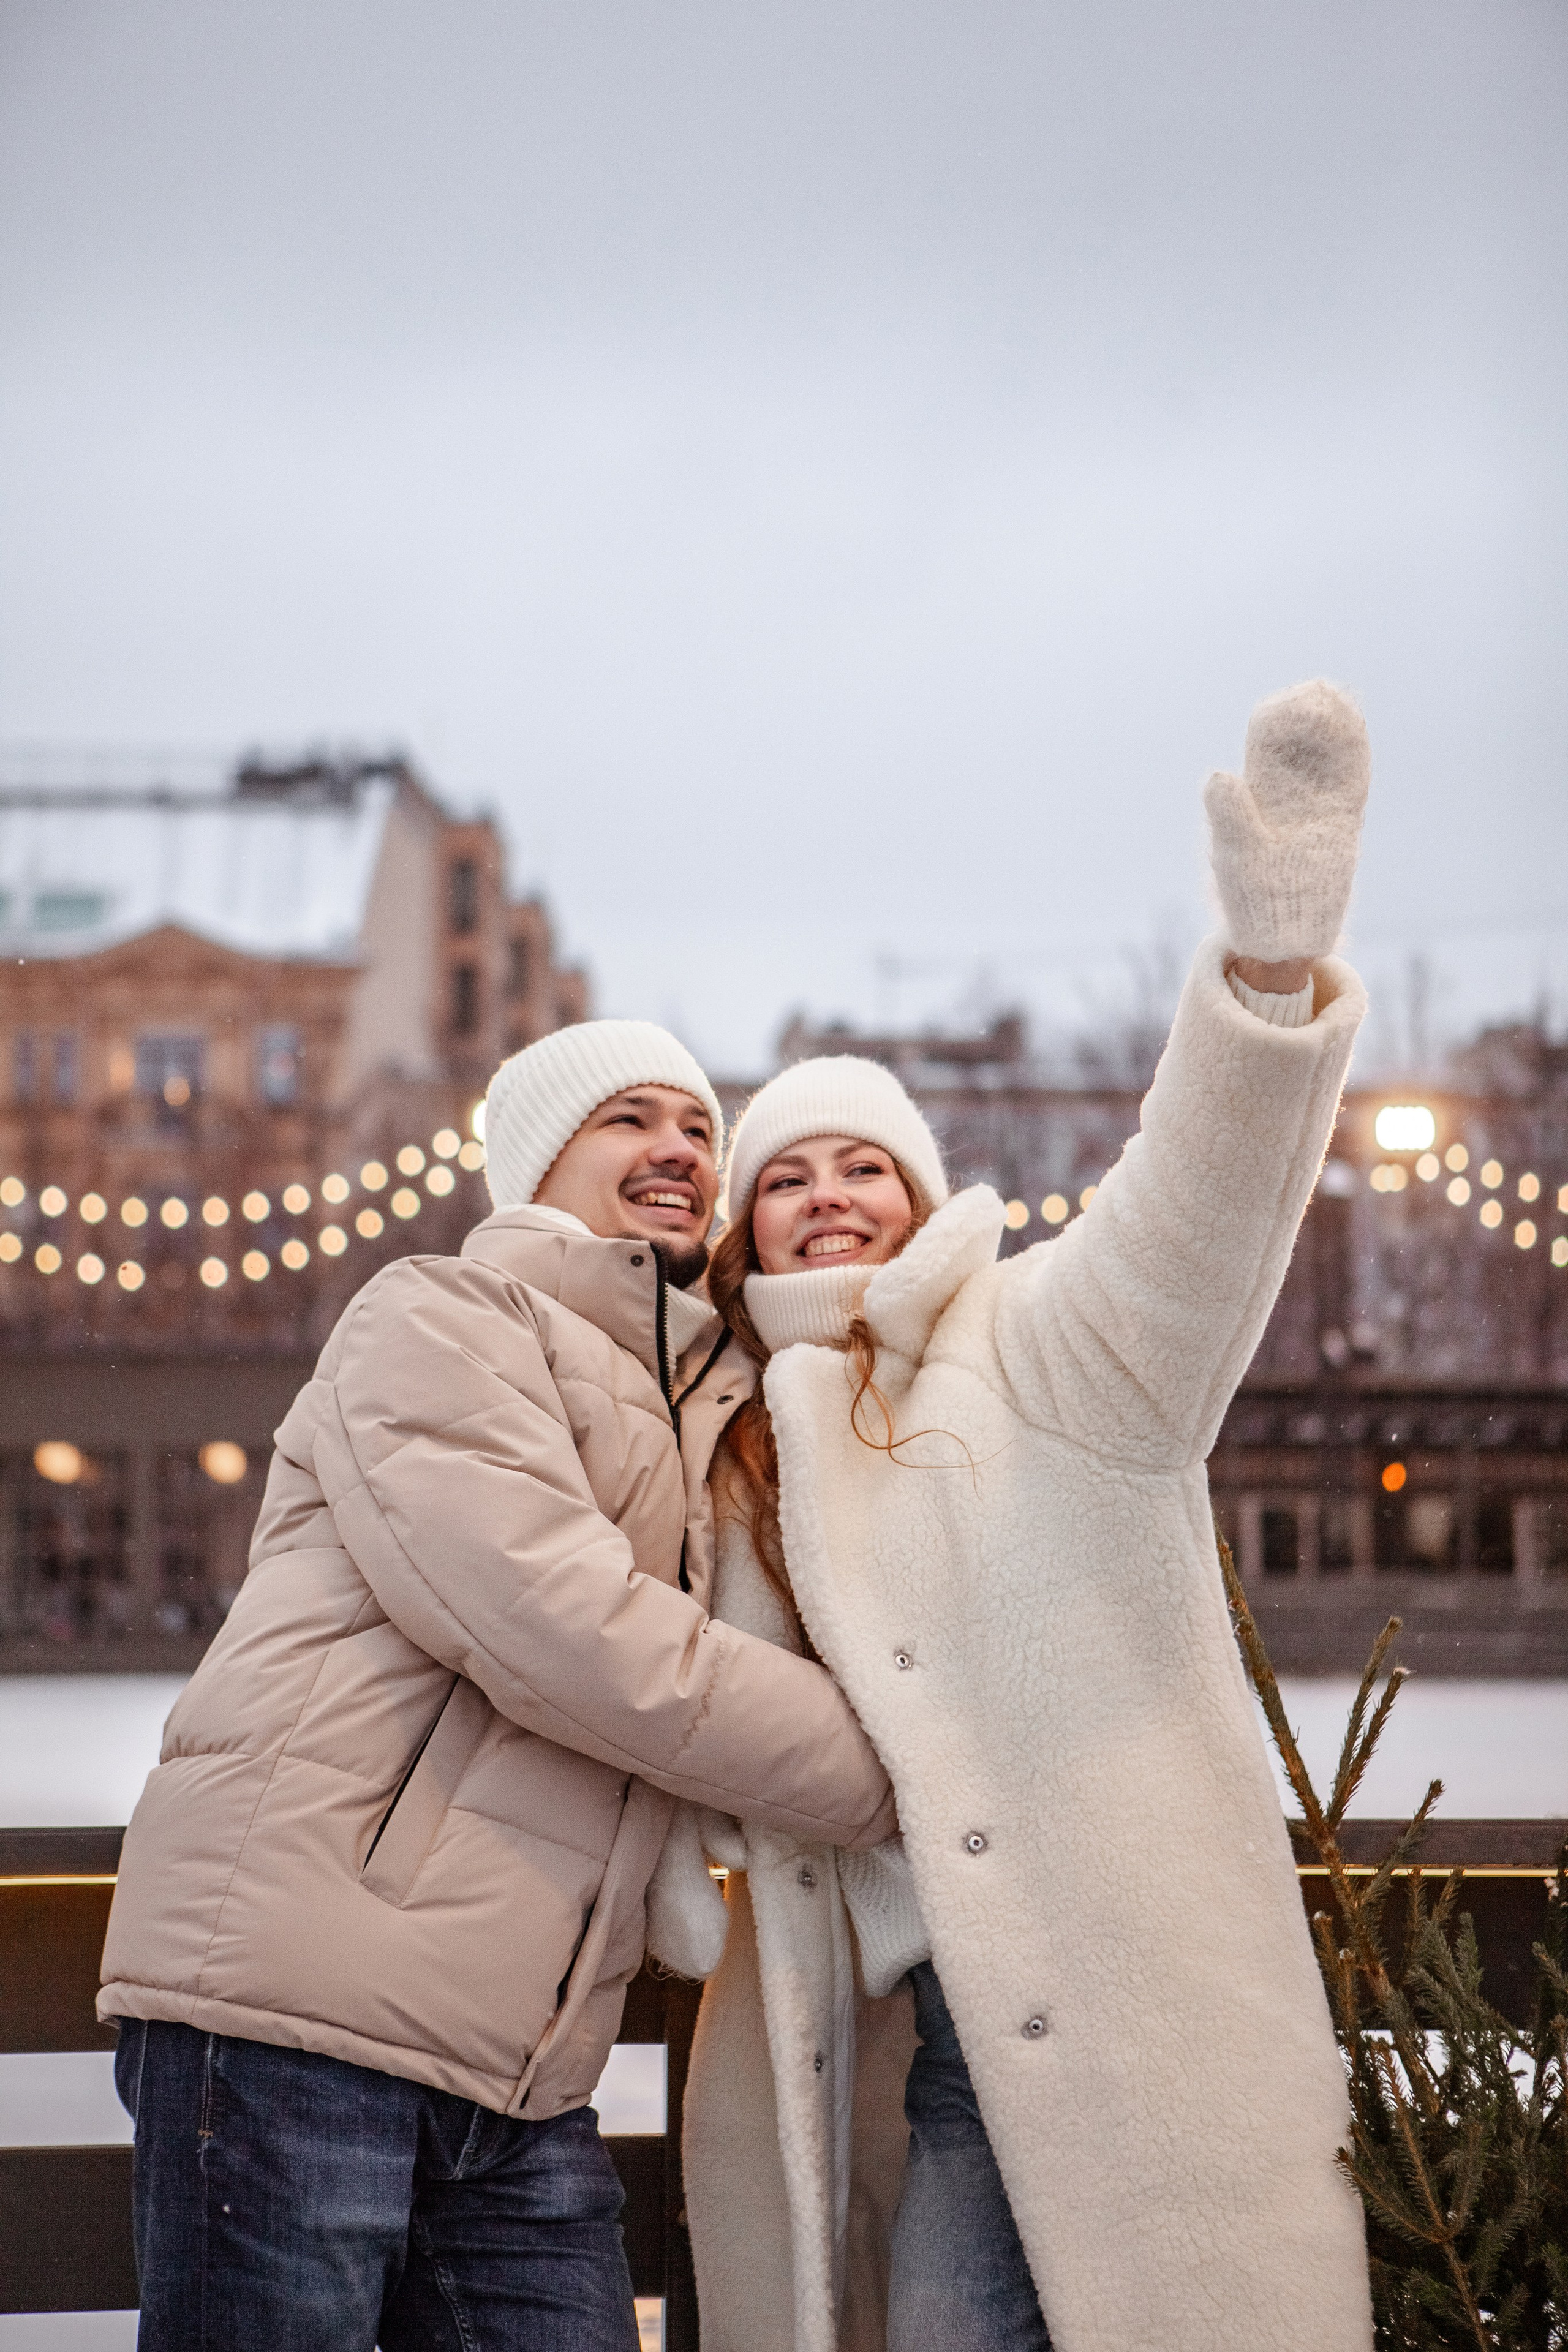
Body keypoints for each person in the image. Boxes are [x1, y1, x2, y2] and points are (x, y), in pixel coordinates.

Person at [650, 681, 1377, 2352]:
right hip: (930, 2065)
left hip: (1131, 2028)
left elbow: (1193, 1208)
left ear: (920, 1200)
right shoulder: (722, 1453)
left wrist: (1264, 982)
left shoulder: (1052, 1349)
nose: (829, 1197)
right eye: (789, 1177)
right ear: (748, 1236)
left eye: (864, 1170)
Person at [99, 1018, 898, 2352]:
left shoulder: (706, 1403)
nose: (679, 1150)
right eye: (629, 1119)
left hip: (520, 2070)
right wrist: (902, 1772)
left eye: (700, 1128)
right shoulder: (441, 1315)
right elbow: (563, 1631)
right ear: (537, 1162)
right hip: (301, 2008)